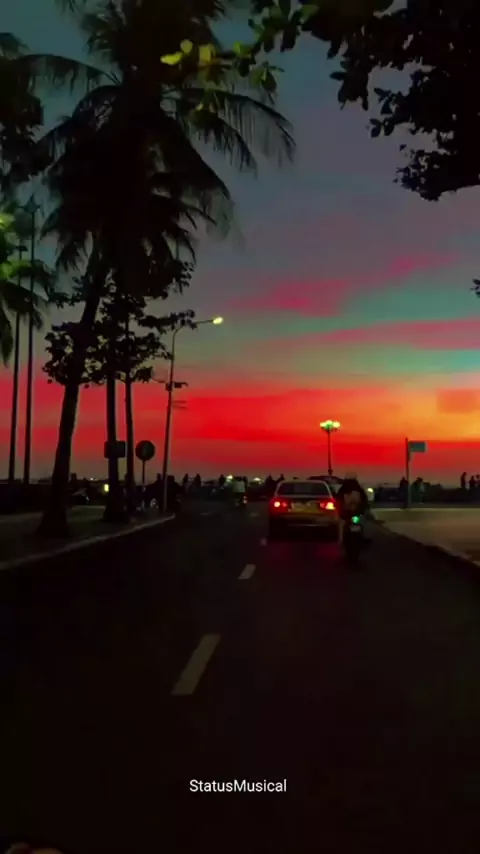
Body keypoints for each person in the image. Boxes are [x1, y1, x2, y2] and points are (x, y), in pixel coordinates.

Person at [335, 476, 369, 544]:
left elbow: (365, 501)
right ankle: (341, 539)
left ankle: (341, 540)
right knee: (341, 524)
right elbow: (338, 500)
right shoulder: (357, 489)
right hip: (348, 513)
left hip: (353, 513)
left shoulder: (345, 489)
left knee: (364, 521)